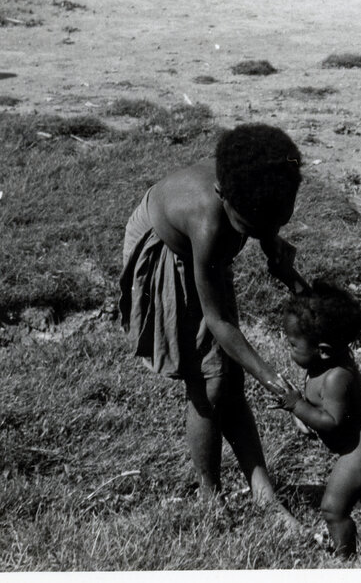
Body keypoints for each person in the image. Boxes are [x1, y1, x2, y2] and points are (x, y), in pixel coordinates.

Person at [119, 122, 309, 525]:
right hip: (169, 253)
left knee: (227, 378)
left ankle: (263, 495)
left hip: (209, 250)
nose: (264, 234)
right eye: (252, 229)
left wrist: (285, 266)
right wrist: (277, 382)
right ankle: (211, 496)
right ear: (224, 198)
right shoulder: (208, 222)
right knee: (209, 380)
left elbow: (262, 222)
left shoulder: (255, 186)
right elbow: (218, 320)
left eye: (274, 223)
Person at [274, 282, 361, 557]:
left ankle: (345, 557)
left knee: (333, 509)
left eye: (292, 343)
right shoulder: (324, 362)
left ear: (323, 349)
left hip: (360, 451)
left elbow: (332, 421)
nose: (288, 347)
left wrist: (297, 406)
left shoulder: (337, 377)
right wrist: (302, 415)